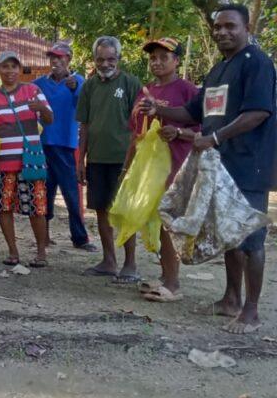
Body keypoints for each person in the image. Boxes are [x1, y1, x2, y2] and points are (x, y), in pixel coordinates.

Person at [139, 5, 276, 332]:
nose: (222, 32)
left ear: (246, 27)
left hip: (250, 163)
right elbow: (192, 111)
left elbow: (258, 112)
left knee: (250, 235)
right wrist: (159, 108)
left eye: (230, 26)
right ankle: (231, 299)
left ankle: (251, 311)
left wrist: (213, 137)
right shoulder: (218, 70)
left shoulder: (256, 63)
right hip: (221, 165)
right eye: (217, 27)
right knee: (229, 234)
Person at [124, 38, 199, 302]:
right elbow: (136, 133)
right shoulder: (145, 92)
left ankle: (173, 284)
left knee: (169, 224)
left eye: (163, 57)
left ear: (176, 61)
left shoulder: (188, 91)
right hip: (148, 169)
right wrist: (128, 167)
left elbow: (203, 132)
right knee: (154, 221)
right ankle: (165, 276)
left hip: (176, 166)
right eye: (153, 58)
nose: (157, 62)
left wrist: (178, 132)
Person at [76, 35, 142, 282]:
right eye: (100, 59)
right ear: (94, 59)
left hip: (123, 160)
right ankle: (108, 261)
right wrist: (80, 160)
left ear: (119, 59)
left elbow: (140, 126)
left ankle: (131, 264)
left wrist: (133, 161)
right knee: (101, 210)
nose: (105, 63)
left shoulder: (131, 83)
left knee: (125, 212)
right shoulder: (89, 86)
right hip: (96, 159)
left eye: (110, 59)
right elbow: (84, 125)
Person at [0, 52, 53, 267]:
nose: (9, 71)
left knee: (37, 209)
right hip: (2, 163)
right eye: (5, 67)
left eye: (13, 66)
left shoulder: (33, 91)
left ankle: (41, 253)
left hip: (30, 161)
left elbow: (50, 119)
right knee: (4, 208)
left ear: (19, 69)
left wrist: (41, 109)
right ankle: (13, 252)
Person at [33, 41, 96, 252]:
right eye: (52, 57)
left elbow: (85, 109)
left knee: (72, 194)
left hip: (67, 146)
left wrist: (76, 89)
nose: (55, 61)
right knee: (45, 192)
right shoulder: (39, 83)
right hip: (42, 145)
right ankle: (45, 235)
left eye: (60, 57)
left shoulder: (78, 81)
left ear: (68, 59)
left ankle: (80, 238)